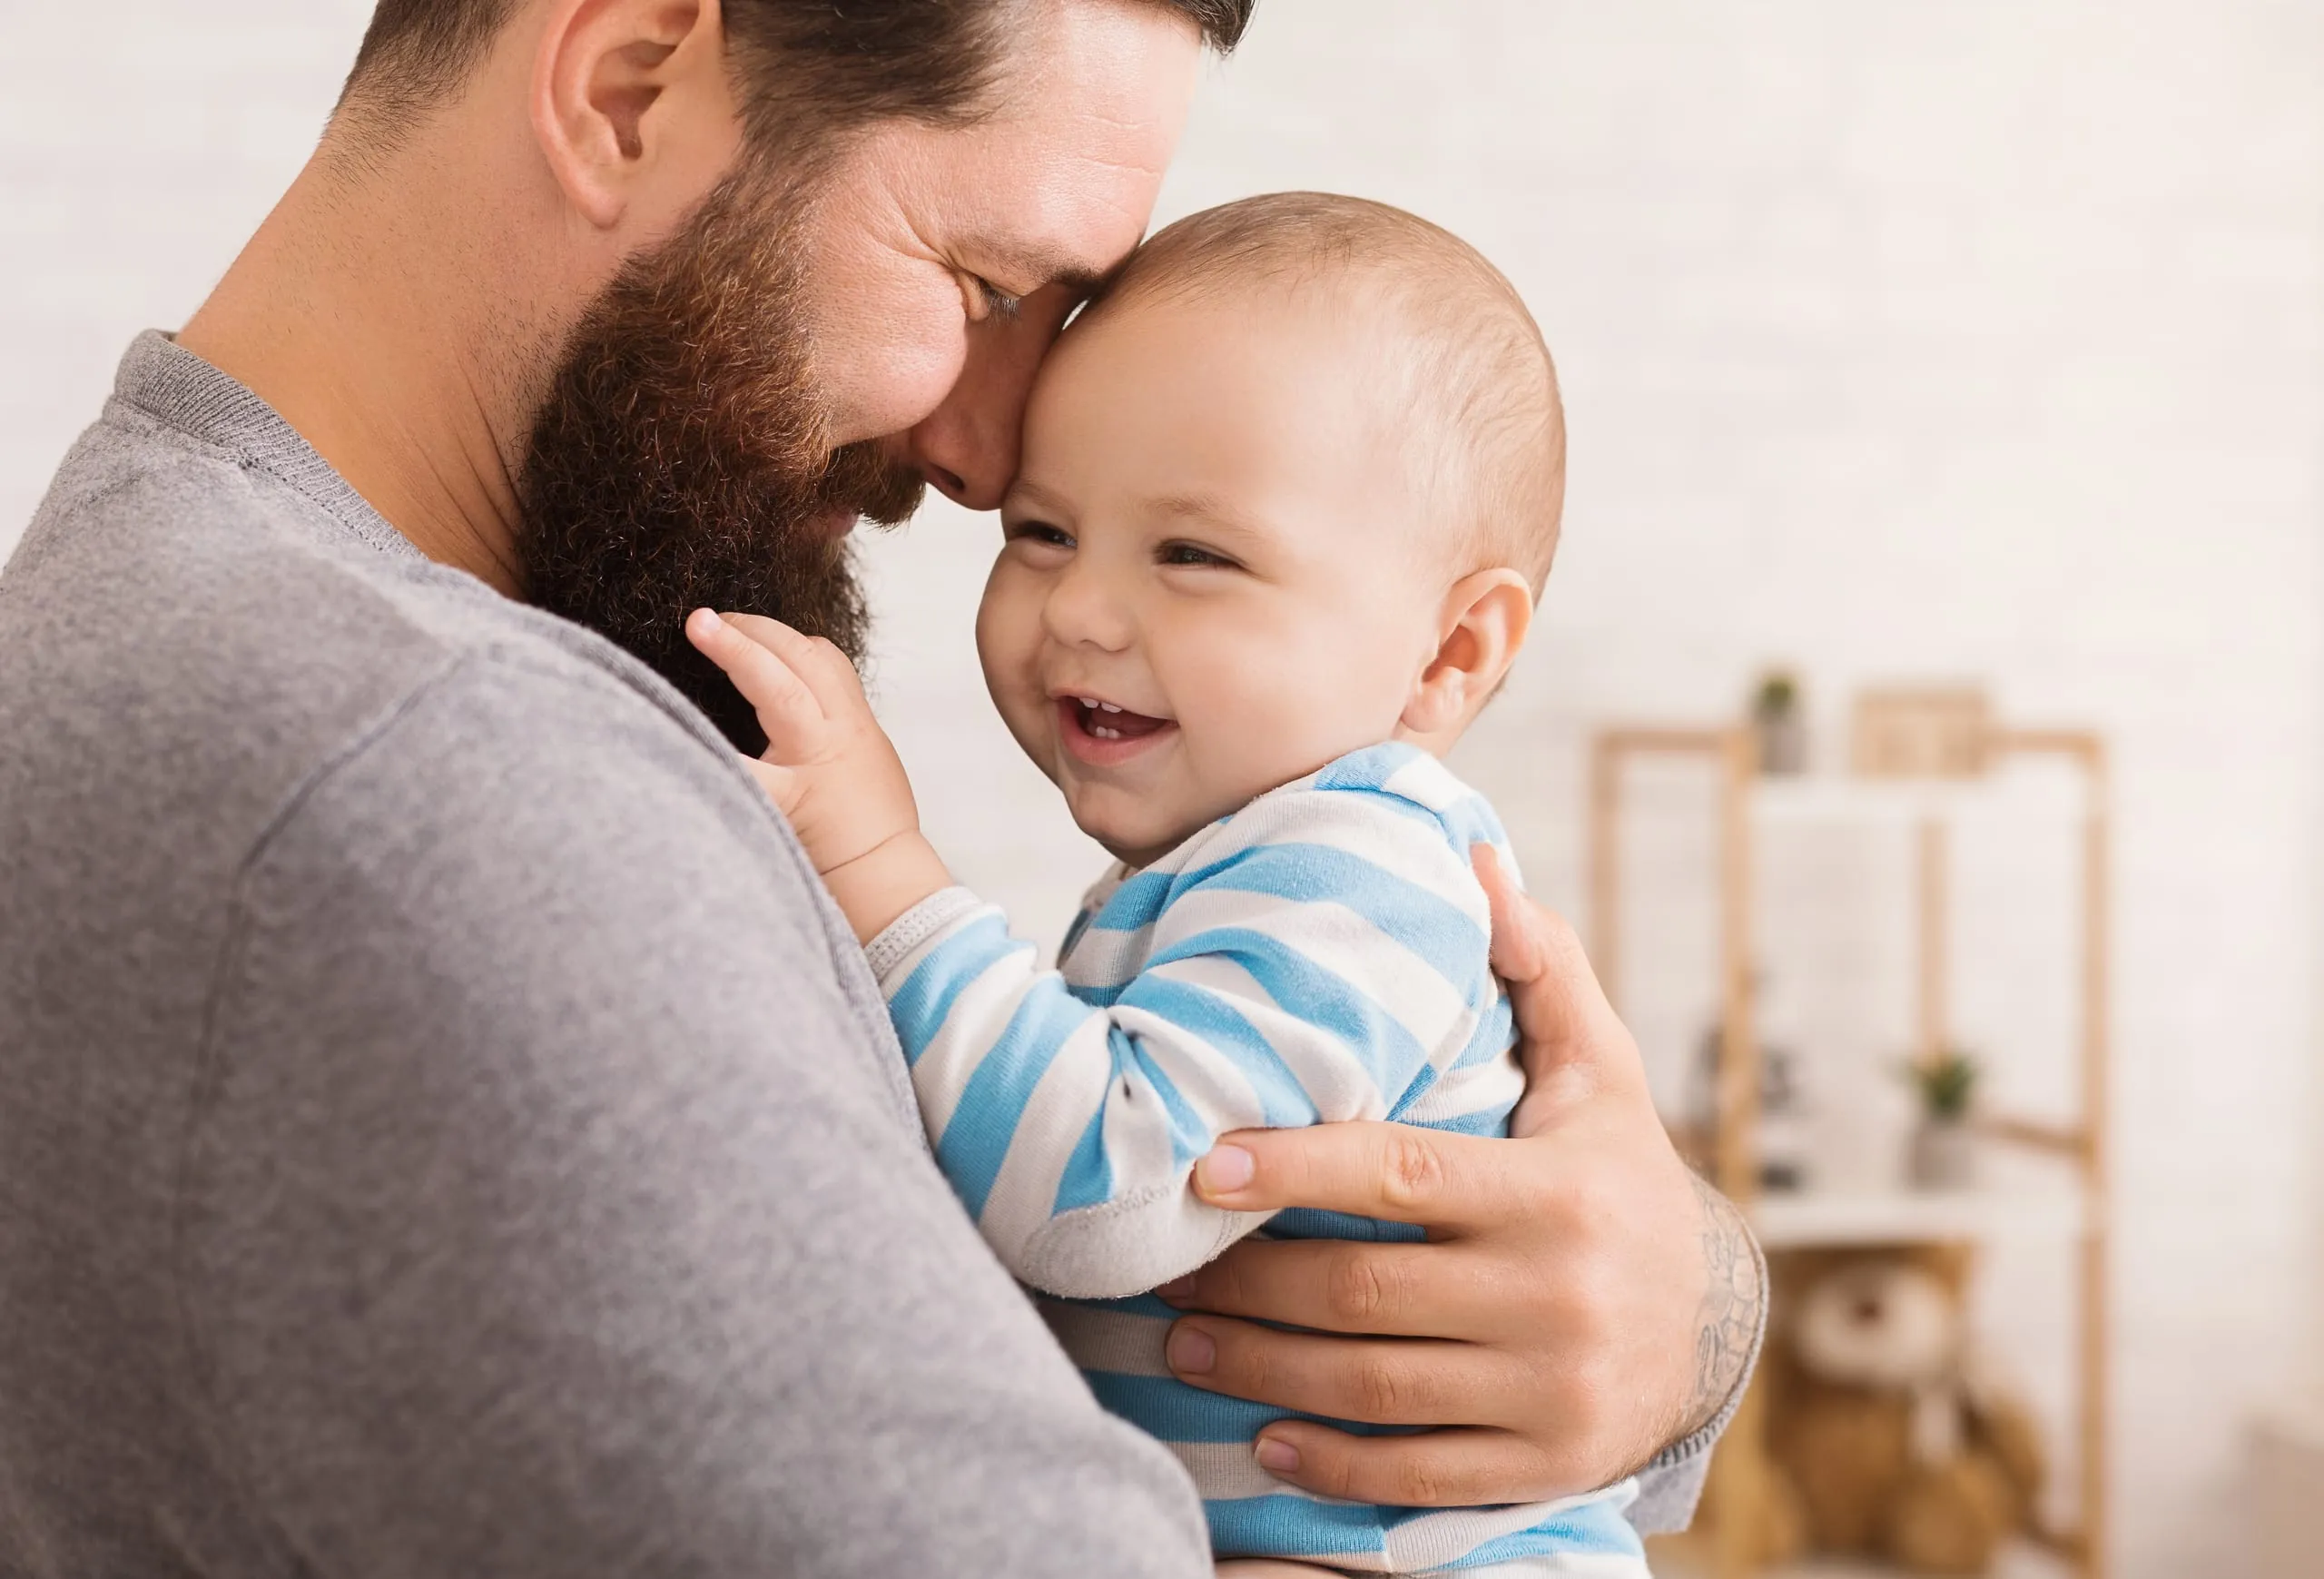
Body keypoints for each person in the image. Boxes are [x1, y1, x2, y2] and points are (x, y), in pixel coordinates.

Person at [0, 3, 1763, 1575]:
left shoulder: (167, 607)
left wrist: (1657, 1315)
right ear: (625, 89)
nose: (991, 448)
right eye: (985, 288)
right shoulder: (428, 774)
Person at [688, 192, 1652, 1576]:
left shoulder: (1359, 862)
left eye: (1192, 554)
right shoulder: (1232, 867)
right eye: (1041, 533)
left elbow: (1106, 1187)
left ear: (1449, 651)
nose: (1082, 608)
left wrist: (881, 869)